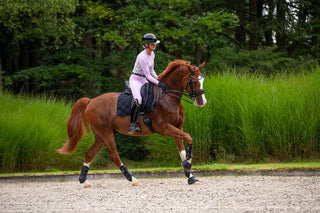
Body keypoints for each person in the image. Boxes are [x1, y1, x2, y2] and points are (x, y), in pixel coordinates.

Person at [128, 33, 168, 134]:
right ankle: (132, 124)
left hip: (143, 80)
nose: (155, 45)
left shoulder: (152, 54)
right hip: (136, 80)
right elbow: (148, 76)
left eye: (155, 43)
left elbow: (152, 70)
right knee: (139, 100)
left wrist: (159, 79)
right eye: (152, 43)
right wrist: (158, 83)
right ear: (146, 44)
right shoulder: (142, 57)